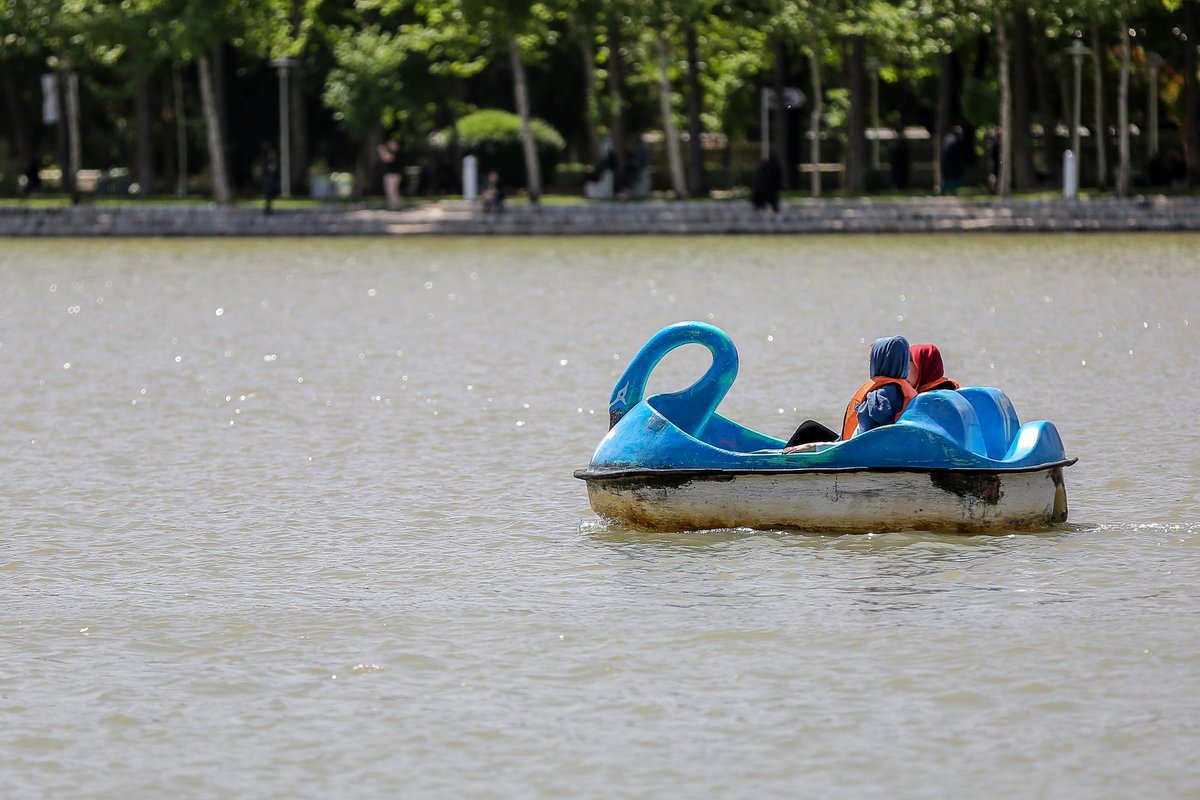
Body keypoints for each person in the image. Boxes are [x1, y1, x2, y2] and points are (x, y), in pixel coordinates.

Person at [782, 335, 916, 453]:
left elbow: (858, 443)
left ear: (881, 361)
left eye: (872, 359)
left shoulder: (880, 399)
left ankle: (779, 462)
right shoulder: (898, 390)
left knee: (808, 429)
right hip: (868, 448)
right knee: (810, 428)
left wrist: (813, 447)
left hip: (853, 453)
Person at [941, 125, 966, 195]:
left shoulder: (948, 138)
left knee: (947, 178)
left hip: (948, 163)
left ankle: (945, 191)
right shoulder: (954, 140)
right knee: (951, 178)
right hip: (951, 163)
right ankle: (950, 191)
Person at [378, 138, 403, 210]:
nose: (391, 145)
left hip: (395, 175)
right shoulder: (390, 152)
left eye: (392, 144)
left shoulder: (397, 153)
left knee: (393, 190)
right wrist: (382, 150)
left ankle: (397, 205)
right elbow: (384, 158)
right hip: (388, 174)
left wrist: (383, 149)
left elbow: (387, 158)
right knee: (389, 190)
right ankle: (393, 205)